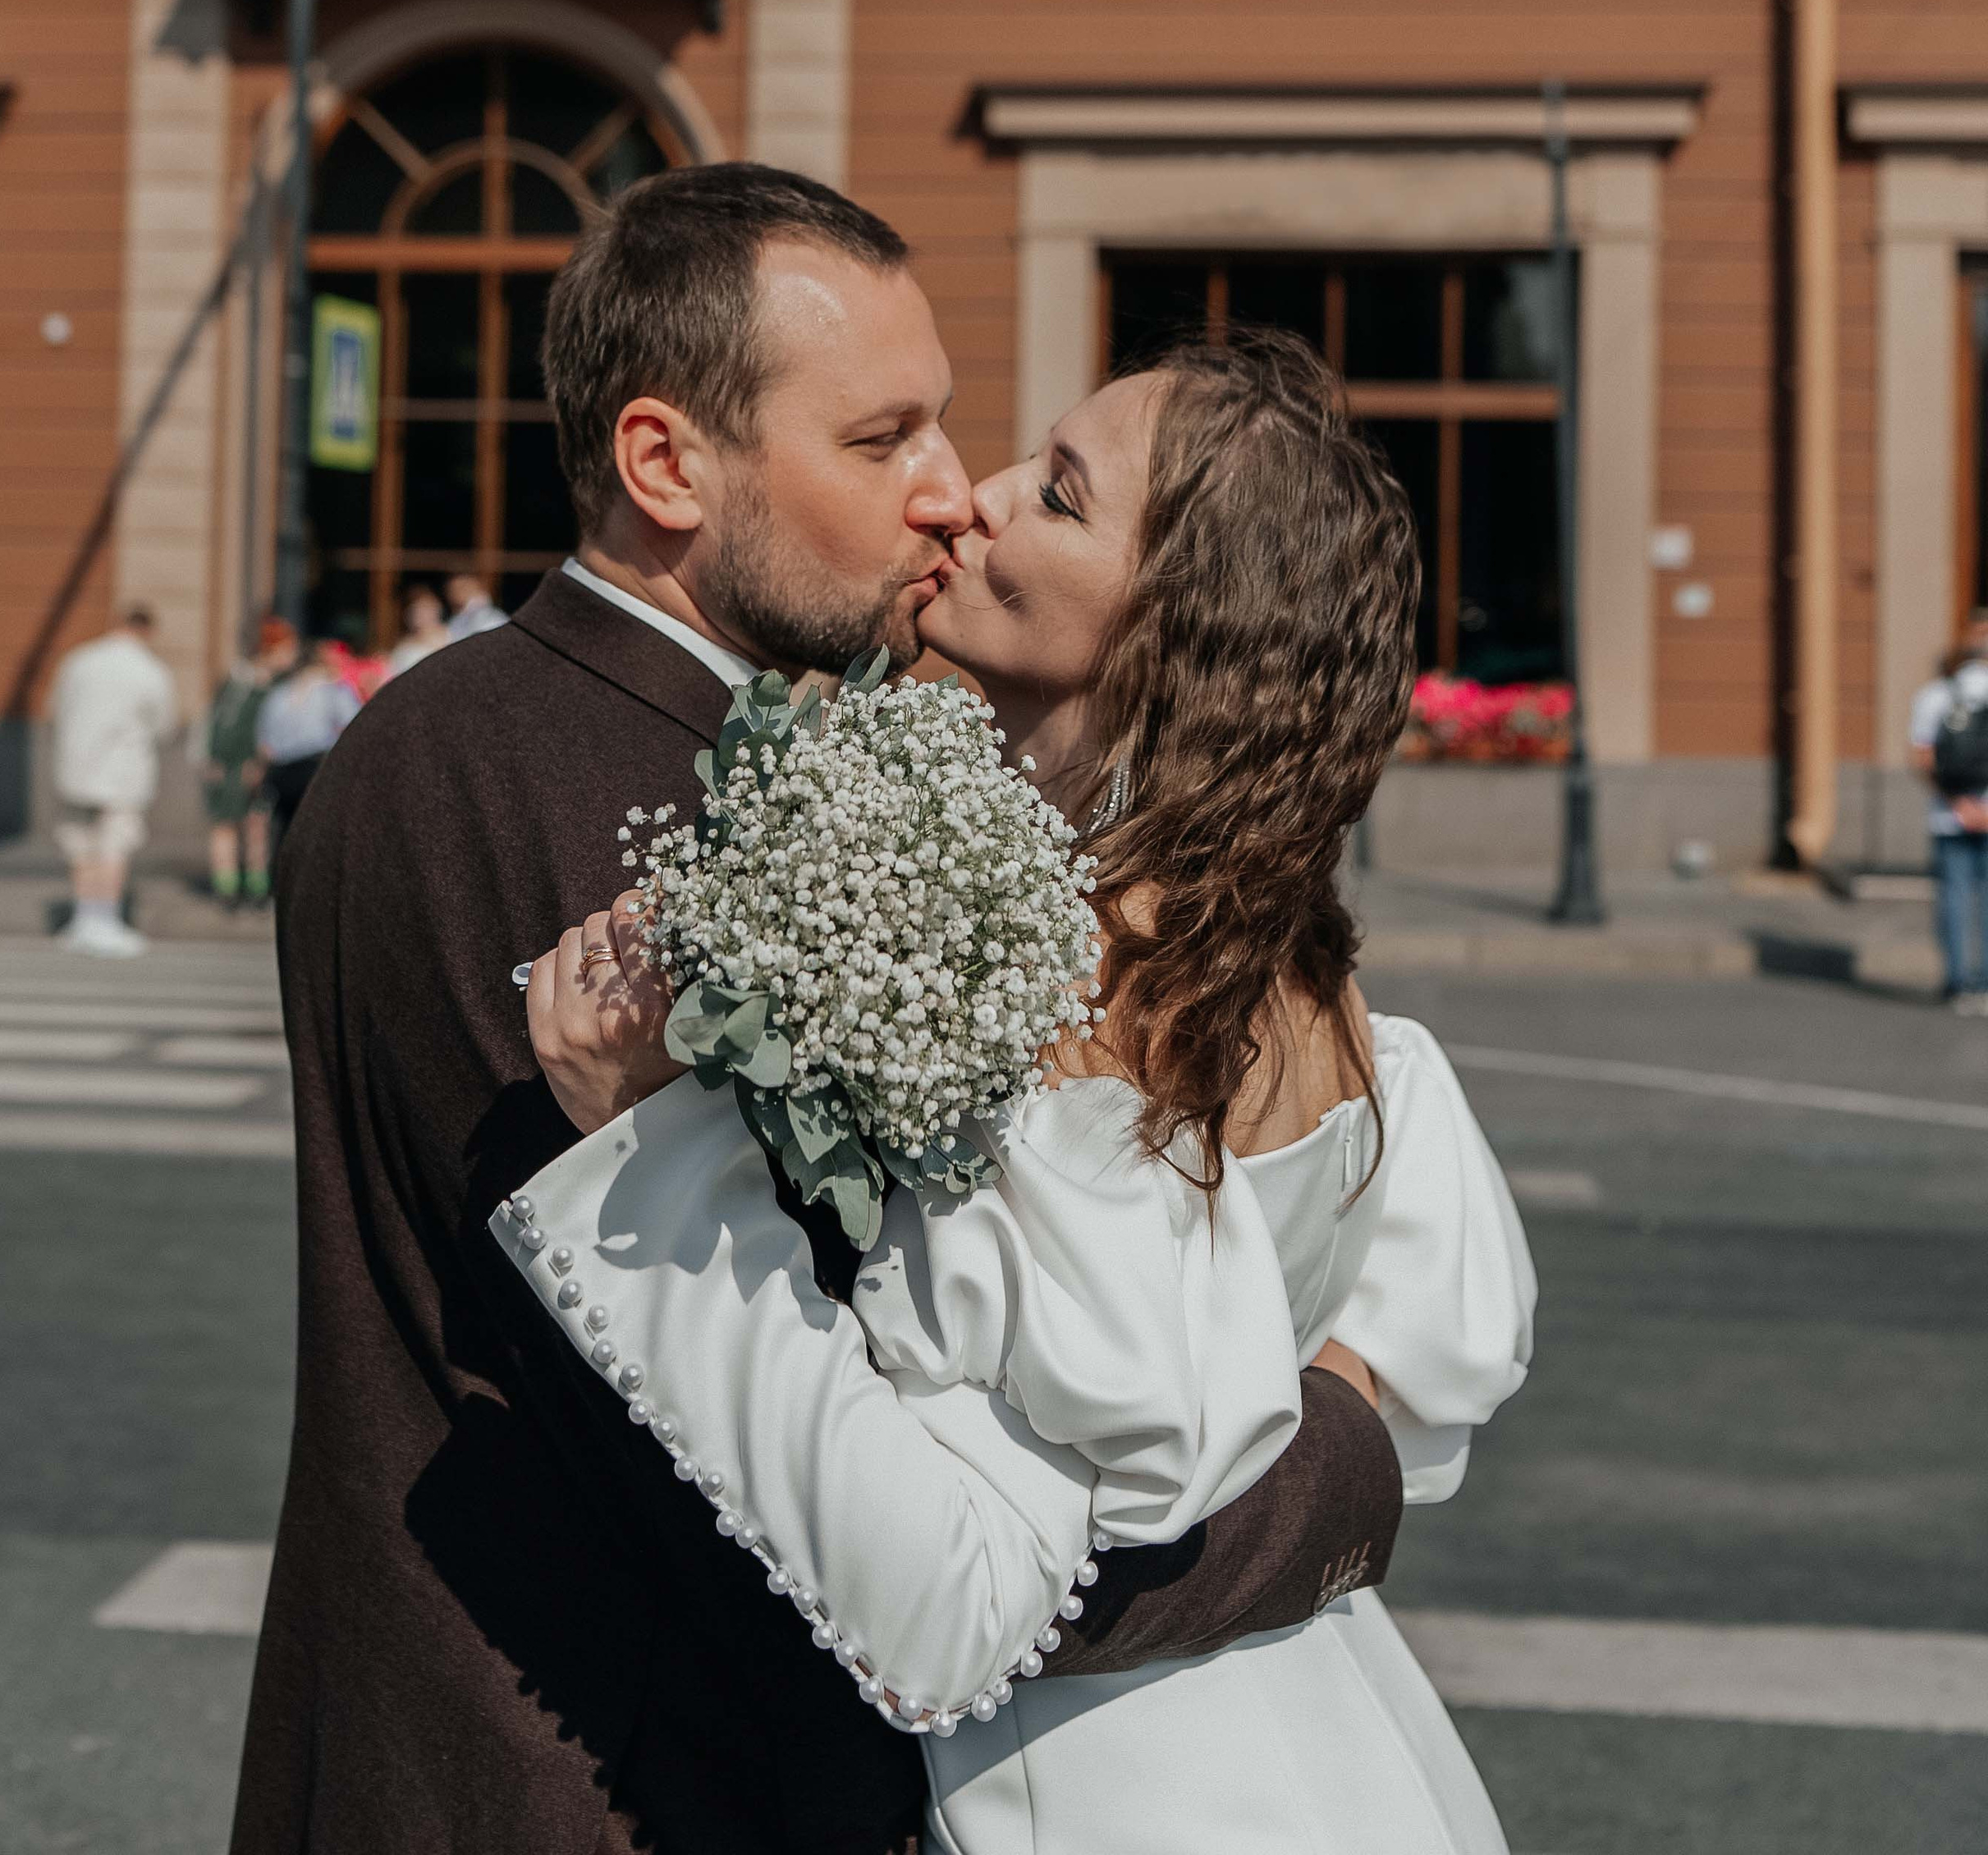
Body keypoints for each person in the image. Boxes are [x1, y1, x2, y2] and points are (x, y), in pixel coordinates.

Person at [234, 166, 1413, 1855]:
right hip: (608, 1775)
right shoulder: (631, 816)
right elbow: (838, 1493)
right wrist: (1332, 1482)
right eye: (880, 443)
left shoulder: (508, 739)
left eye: (947, 429)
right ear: (665, 466)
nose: (948, 493)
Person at [511, 331, 1532, 1853]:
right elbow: (1396, 1359)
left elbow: (948, 1607)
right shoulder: (1281, 952)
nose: (970, 497)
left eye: (1055, 492)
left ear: (1172, 629)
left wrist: (650, 1158)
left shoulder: (1077, 1000)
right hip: (1315, 1747)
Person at [48, 605, 177, 959]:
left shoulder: (77, 661)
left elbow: (56, 708)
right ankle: (104, 920)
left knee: (80, 845)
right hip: (122, 772)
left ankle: (83, 918)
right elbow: (162, 724)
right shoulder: (150, 670)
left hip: (75, 770)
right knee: (114, 845)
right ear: (147, 631)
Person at [1910, 609, 1988, 1014]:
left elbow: (1923, 755)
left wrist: (1956, 801)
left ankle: (1958, 983)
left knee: (1955, 899)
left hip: (1949, 812)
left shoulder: (1936, 694)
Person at [201, 616, 298, 909]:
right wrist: (216, 757)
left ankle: (257, 886)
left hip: (264, 763)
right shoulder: (241, 680)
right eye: (287, 649)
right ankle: (227, 887)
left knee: (258, 825)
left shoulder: (284, 685)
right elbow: (220, 722)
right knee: (226, 824)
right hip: (231, 762)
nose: (291, 656)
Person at [254, 639, 360, 849]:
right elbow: (354, 721)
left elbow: (265, 741)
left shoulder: (281, 694)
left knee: (289, 830)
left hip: (293, 766)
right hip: (308, 766)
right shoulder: (328, 691)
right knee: (306, 832)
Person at [384, 581, 450, 678]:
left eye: (426, 608)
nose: (422, 615)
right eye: (415, 610)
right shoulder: (403, 649)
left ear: (438, 608)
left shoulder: (454, 635)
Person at [443, 570, 506, 642]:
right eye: (451, 590)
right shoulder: (458, 618)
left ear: (477, 586)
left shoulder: (491, 617)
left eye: (463, 587)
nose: (455, 593)